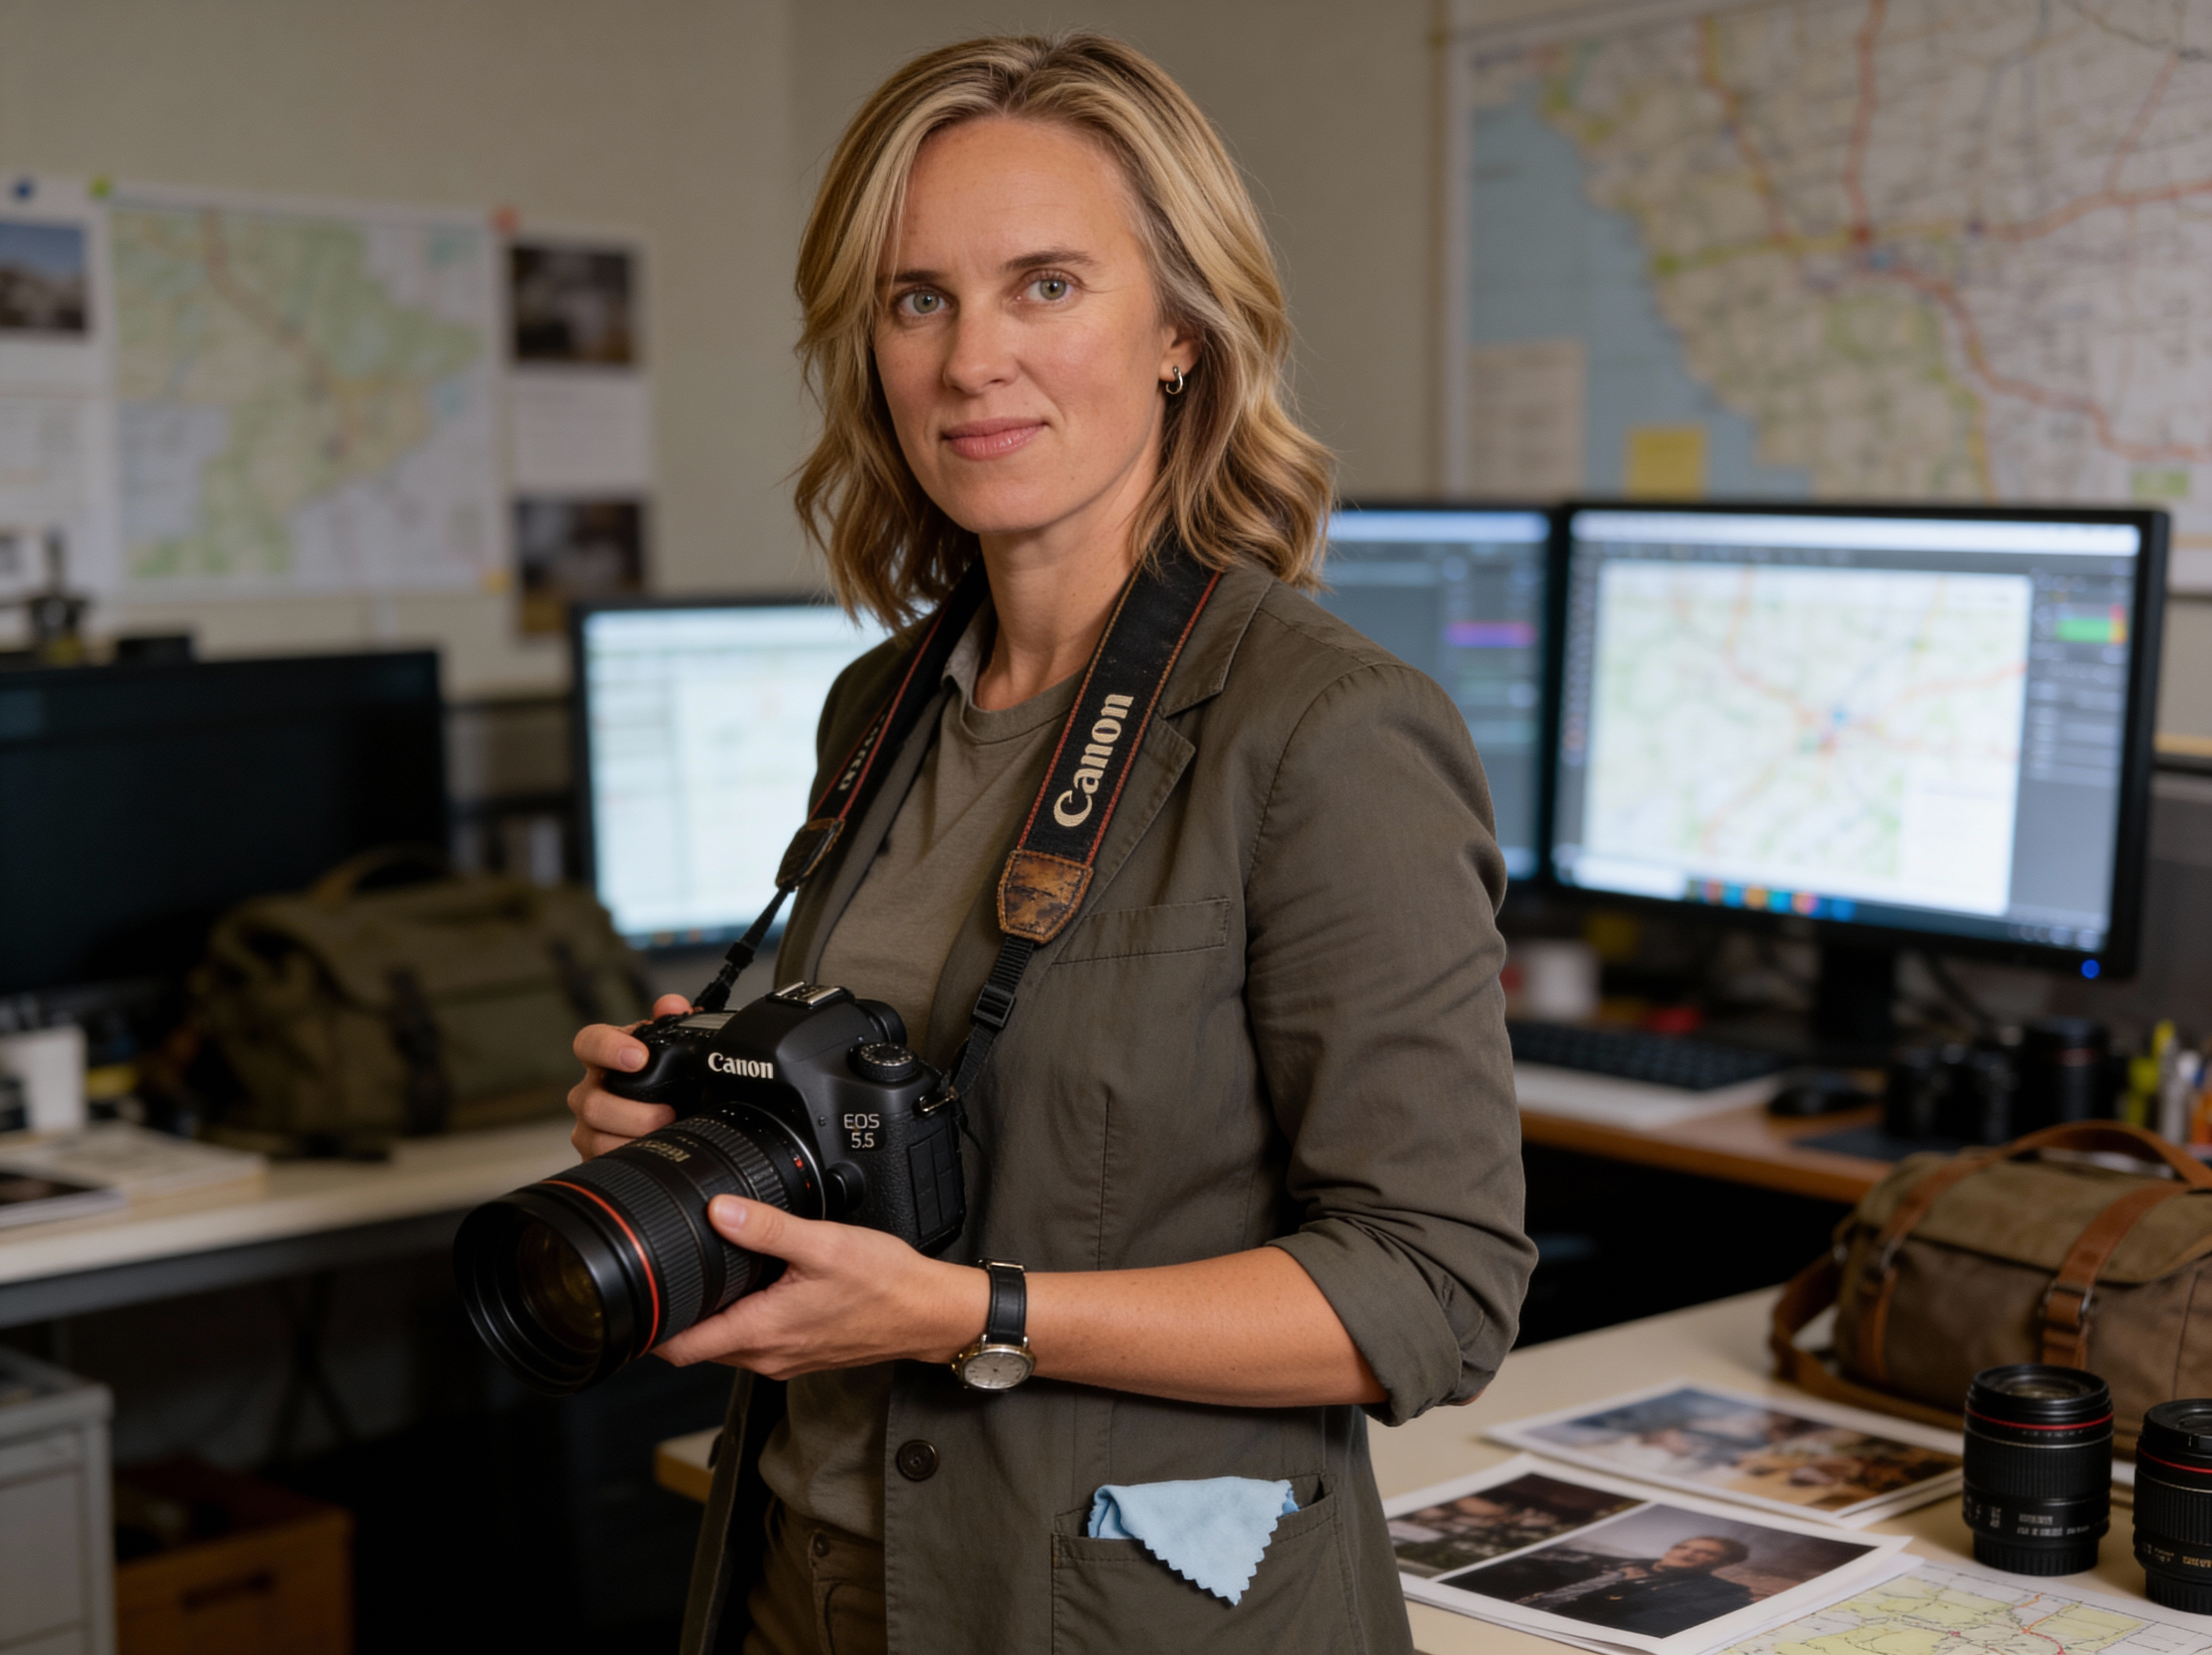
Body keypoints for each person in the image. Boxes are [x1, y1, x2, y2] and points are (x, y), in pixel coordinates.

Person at [566, 31, 1533, 1655]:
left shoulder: (1323, 730)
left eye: (1047, 287)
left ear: (1178, 331)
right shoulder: (880, 701)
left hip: (1113, 1608)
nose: (969, 362)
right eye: (916, 298)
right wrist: (708, 1123)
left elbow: (1432, 1289)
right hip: (800, 1574)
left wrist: (970, 1317)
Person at [1507, 1536, 1756, 1636]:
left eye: (1704, 1554)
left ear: (1725, 1563)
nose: (1688, 1554)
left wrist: (1627, 1587)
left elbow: (1643, 1627)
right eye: (1683, 1547)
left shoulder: (1723, 1594)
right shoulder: (1607, 1562)